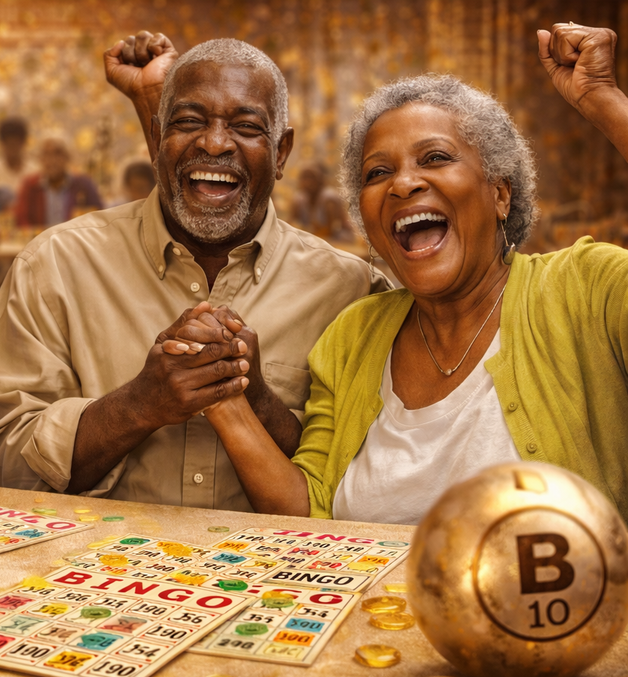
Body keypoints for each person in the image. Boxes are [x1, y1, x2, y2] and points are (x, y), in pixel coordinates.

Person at [192, 23, 628, 524]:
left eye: (435, 158)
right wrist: (222, 393)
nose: (402, 183)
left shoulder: (587, 289)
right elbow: (308, 509)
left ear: (500, 193)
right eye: (377, 173)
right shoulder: (353, 336)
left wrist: (602, 99)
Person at [0, 35, 388, 509]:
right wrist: (139, 404)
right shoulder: (55, 265)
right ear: (156, 138)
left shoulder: (351, 291)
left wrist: (259, 402)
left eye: (246, 127)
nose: (213, 143)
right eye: (188, 122)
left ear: (281, 151)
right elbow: (0, 461)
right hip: (95, 577)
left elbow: (365, 479)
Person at [13, 137, 103, 228]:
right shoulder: (30, 185)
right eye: (46, 154)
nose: (52, 160)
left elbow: (98, 218)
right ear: (41, 159)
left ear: (67, 157)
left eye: (57, 153)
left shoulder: (84, 185)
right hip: (40, 241)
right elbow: (22, 219)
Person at [290, 162, 354, 242]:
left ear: (321, 179)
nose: (308, 182)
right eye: (304, 177)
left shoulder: (329, 199)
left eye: (312, 177)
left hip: (338, 240)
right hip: (315, 240)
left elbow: (331, 230)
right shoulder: (299, 200)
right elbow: (290, 224)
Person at [0, 116, 34, 197]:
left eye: (15, 144)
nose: (12, 149)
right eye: (9, 144)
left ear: (23, 143)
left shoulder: (34, 171)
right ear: (2, 143)